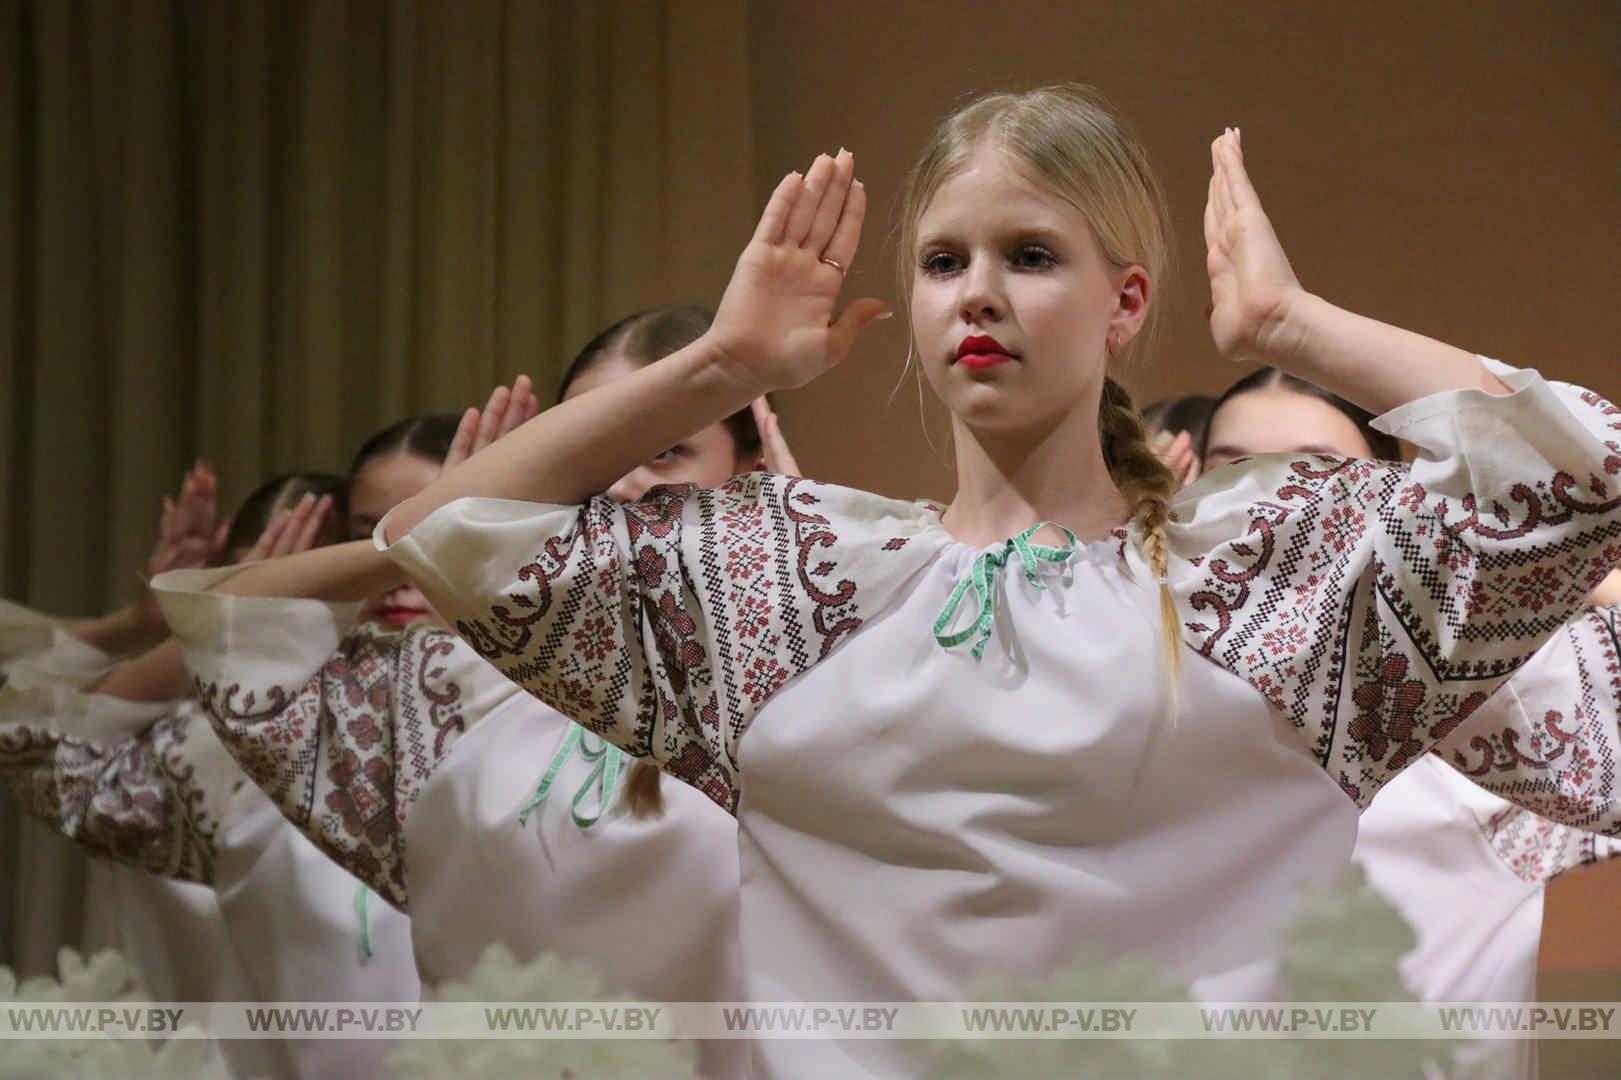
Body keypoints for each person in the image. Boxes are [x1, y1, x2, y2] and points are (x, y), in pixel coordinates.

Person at [153, 308, 795, 1079]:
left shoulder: (811, 681)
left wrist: (793, 560)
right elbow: (228, 619)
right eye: (597, 443)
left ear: (747, 472)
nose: (624, 481)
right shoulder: (451, 691)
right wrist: (443, 535)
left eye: (666, 450)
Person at [1201, 365, 1621, 1079]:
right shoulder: (1130, 715)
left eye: (1312, 473)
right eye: (1231, 470)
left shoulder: (1494, 723)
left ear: (1391, 505)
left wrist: (1290, 325)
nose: (1264, 503)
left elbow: (1576, 462)